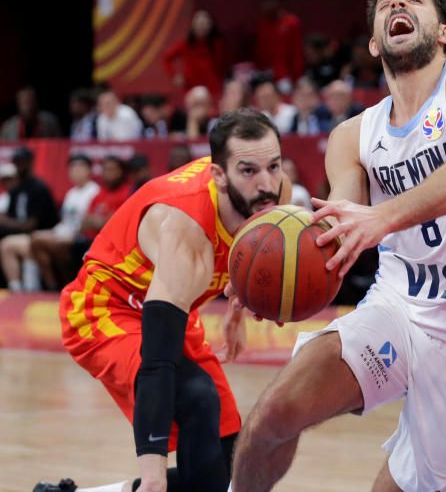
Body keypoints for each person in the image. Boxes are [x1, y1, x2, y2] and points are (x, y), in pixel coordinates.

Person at [230, 0, 446, 492]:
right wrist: (271, 277)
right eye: (386, 3)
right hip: (397, 308)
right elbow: (338, 230)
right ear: (374, 43)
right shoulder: (352, 135)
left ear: (443, 32)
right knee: (270, 418)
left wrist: (381, 217)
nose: (398, 4)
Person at [35, 109, 290, 492]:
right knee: (197, 397)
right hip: (105, 307)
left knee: (229, 464)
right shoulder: (186, 230)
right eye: (249, 171)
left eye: (274, 165)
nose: (267, 183)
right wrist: (153, 472)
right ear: (219, 176)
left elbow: (248, 250)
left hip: (175, 301)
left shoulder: (271, 192)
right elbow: (157, 362)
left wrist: (239, 302)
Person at [1, 154, 99, 291]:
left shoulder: (94, 191)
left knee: (38, 241)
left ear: (89, 170)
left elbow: (88, 221)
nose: (76, 171)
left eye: (80, 167)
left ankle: (57, 284)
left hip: (79, 236)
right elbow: (65, 220)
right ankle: (48, 287)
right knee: (30, 242)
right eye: (72, 168)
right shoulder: (71, 192)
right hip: (62, 231)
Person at [162, 9, 227, 95]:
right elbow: (166, 58)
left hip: (212, 88)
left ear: (211, 25)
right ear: (193, 25)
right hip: (191, 88)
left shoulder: (218, 45)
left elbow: (222, 67)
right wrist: (174, 75)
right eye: (199, 23)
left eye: (205, 23)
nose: (202, 26)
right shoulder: (185, 45)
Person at [254, 0, 303, 94]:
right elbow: (260, 51)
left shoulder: (291, 22)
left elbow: (297, 52)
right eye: (262, 2)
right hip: (266, 74)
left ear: (277, 2)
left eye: (268, 1)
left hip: (286, 75)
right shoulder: (262, 24)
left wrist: (296, 76)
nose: (264, 5)